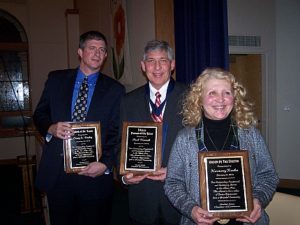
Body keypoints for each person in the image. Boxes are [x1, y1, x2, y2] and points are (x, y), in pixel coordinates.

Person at [164, 68, 279, 225]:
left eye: (227, 93)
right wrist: (191, 209)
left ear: (235, 97)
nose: (221, 99)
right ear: (199, 98)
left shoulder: (251, 134)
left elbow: (268, 175)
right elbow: (173, 183)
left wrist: (258, 199)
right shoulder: (184, 139)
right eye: (212, 93)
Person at [33, 30, 125, 225]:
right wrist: (51, 128)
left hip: (95, 177)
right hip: (59, 175)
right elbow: (39, 114)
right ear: (80, 52)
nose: (98, 53)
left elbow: (117, 133)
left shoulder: (115, 90)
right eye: (92, 48)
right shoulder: (56, 80)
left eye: (102, 50)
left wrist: (106, 164)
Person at [120, 40, 187, 225]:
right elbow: (119, 143)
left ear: (172, 65)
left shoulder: (191, 98)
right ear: (143, 66)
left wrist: (173, 171)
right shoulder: (128, 101)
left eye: (163, 60)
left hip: (181, 199)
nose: (157, 67)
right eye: (151, 61)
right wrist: (124, 176)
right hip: (142, 197)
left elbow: (201, 147)